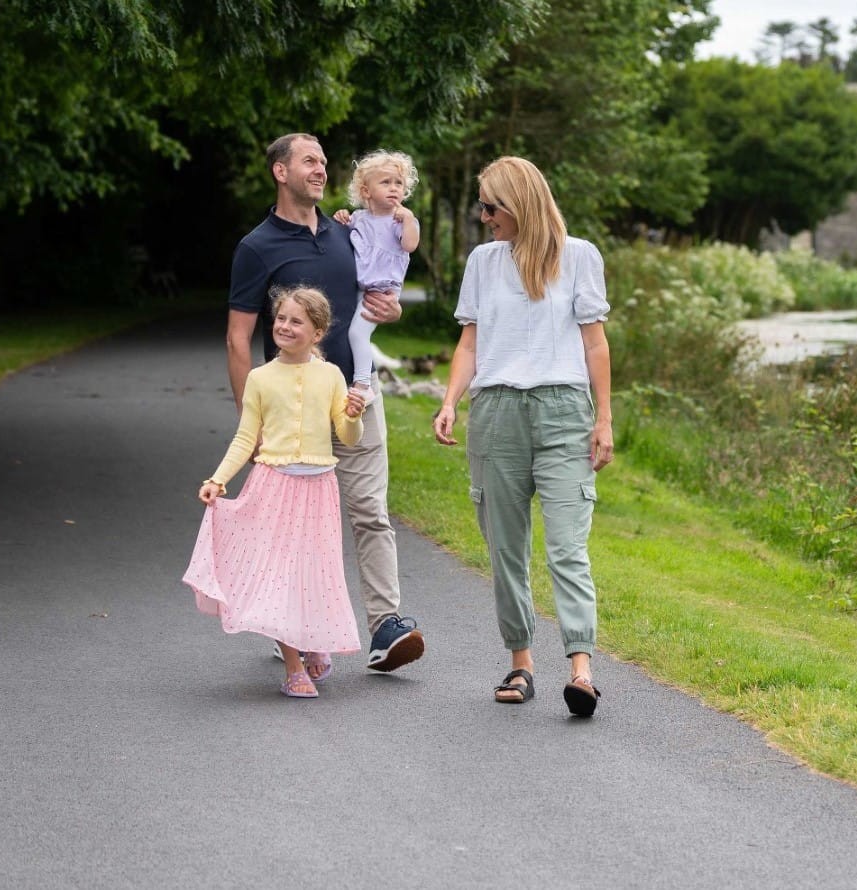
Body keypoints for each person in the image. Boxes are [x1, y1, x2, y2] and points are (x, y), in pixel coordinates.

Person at [227, 132, 424, 675]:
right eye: (309, 161)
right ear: (280, 172)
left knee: (370, 511)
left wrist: (392, 313)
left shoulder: (346, 233)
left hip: (356, 395)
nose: (320, 169)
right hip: (293, 407)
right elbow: (238, 338)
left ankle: (386, 625)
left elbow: (378, 292)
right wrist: (252, 417)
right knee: (296, 523)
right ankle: (290, 623)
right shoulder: (257, 246)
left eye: (323, 161)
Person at [432, 156, 614, 717]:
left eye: (491, 206)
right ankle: (521, 661)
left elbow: (594, 344)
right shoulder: (483, 262)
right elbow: (470, 343)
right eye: (481, 206)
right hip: (497, 413)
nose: (484, 216)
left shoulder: (579, 256)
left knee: (566, 546)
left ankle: (580, 670)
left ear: (522, 204)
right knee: (505, 548)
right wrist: (450, 401)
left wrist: (603, 417)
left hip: (563, 412)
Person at [184, 286, 366, 698]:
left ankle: (315, 639)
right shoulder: (261, 378)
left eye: (296, 321)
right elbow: (246, 437)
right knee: (281, 573)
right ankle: (293, 664)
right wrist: (218, 478)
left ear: (317, 332)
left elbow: (348, 437)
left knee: (315, 568)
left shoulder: (332, 375)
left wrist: (355, 414)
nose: (284, 326)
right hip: (273, 486)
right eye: (281, 318)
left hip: (319, 487)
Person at [336, 150, 420, 413]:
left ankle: (363, 385)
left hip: (382, 291)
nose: (394, 188)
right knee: (350, 331)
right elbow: (345, 236)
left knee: (357, 333)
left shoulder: (401, 220)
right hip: (362, 287)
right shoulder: (359, 218)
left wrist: (408, 220)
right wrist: (341, 218)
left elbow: (410, 245)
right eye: (385, 182)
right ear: (366, 191)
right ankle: (353, 379)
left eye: (399, 183)